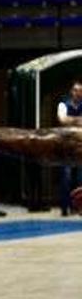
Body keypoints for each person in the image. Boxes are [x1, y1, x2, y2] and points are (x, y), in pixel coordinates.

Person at [56, 81, 82, 215]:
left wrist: (69, 119)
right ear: (71, 92)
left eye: (80, 91)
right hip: (66, 145)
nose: (78, 93)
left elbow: (67, 120)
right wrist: (78, 120)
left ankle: (77, 207)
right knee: (66, 177)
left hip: (80, 145)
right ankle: (65, 208)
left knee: (80, 177)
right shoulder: (63, 104)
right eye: (75, 90)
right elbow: (62, 119)